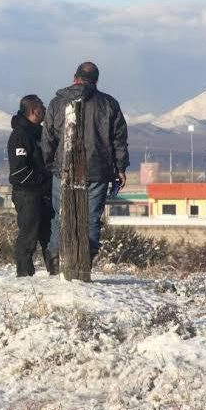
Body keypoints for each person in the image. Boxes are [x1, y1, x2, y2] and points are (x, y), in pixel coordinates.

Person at [41, 62, 129, 273]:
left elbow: (48, 139)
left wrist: (50, 164)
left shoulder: (56, 103)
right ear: (96, 80)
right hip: (98, 170)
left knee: (60, 214)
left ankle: (55, 260)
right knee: (91, 217)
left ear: (75, 77)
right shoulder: (109, 104)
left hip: (62, 170)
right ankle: (84, 262)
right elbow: (119, 139)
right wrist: (120, 167)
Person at [8, 95, 54, 277]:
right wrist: (43, 178)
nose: (45, 110)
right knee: (28, 236)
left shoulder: (39, 133)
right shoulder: (20, 135)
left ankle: (56, 272)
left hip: (44, 194)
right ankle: (24, 274)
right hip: (27, 194)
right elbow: (19, 172)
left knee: (49, 237)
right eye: (42, 107)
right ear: (35, 110)